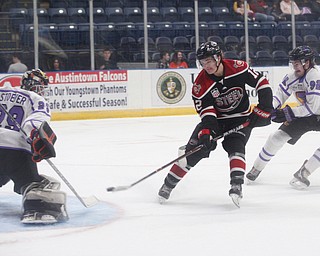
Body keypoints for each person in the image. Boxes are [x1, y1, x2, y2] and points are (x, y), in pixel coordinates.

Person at [158, 41, 273, 207]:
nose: (207, 65)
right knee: (195, 151)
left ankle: (236, 184)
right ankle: (168, 184)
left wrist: (264, 108)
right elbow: (207, 113)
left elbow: (261, 83)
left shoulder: (237, 67)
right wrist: (206, 133)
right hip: (216, 120)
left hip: (240, 117)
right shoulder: (200, 85)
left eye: (209, 61)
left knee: (236, 145)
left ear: (218, 57)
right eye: (203, 62)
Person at [0, 68, 68, 224]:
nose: (42, 90)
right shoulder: (35, 99)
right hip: (14, 150)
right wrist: (37, 137)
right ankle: (37, 207)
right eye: (41, 87)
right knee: (33, 184)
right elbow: (33, 123)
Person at [246, 45, 320, 185]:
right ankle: (257, 168)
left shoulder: (314, 76)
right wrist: (270, 108)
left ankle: (305, 172)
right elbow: (280, 94)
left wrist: (288, 113)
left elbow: (312, 107)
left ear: (307, 63)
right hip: (308, 115)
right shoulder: (292, 77)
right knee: (277, 137)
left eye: (297, 64)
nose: (294, 67)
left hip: (313, 111)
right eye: (292, 64)